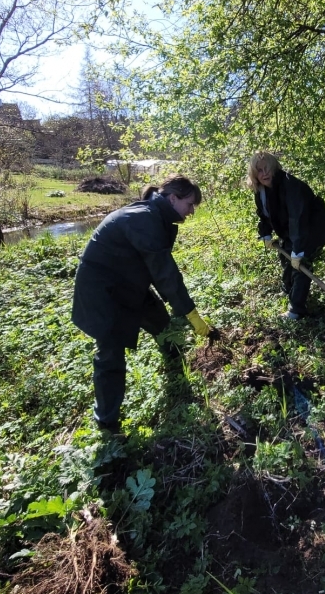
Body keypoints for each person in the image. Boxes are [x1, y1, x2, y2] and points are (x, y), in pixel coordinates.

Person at [72, 175, 217, 430]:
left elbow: (156, 268)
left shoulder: (157, 215)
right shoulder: (144, 219)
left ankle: (176, 369)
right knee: (110, 355)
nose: (192, 211)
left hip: (129, 282)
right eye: (190, 204)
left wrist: (180, 308)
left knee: (162, 323)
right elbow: (165, 273)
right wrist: (191, 314)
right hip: (102, 290)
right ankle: (106, 423)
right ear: (173, 198)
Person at [246, 151, 325, 320]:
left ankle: (296, 310)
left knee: (300, 266)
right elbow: (264, 214)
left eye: (267, 169)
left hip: (311, 230)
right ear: (254, 175)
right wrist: (266, 233)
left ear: (275, 168)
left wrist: (298, 250)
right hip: (290, 233)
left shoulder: (291, 186)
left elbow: (297, 218)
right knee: (286, 260)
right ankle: (290, 290)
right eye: (260, 171)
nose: (265, 174)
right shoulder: (261, 191)